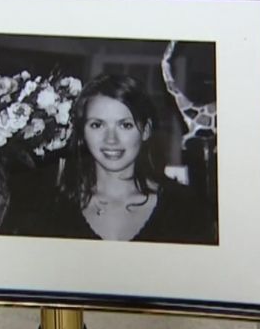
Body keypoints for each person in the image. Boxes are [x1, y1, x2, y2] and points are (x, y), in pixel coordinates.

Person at [47, 73, 217, 244]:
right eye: (97, 125)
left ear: (146, 130)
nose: (111, 139)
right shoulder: (54, 207)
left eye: (125, 125)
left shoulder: (185, 209)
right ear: (82, 132)